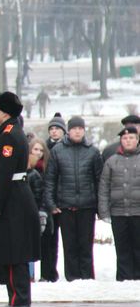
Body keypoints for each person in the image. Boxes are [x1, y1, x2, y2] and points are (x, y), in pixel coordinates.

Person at [0, 91, 41, 307]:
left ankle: (19, 299)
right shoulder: (11, 131)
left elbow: (4, 174)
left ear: (5, 113)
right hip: (17, 194)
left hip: (13, 198)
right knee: (13, 249)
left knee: (14, 250)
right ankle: (17, 298)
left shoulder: (8, 135)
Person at [44, 115, 102, 281]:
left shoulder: (92, 151)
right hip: (65, 206)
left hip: (87, 206)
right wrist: (51, 203)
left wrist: (100, 206)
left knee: (86, 246)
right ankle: (72, 279)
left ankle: (87, 278)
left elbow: (99, 180)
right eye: (74, 128)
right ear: (68, 131)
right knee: (69, 246)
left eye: (80, 128)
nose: (77, 131)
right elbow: (50, 179)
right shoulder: (57, 151)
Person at [97, 126, 140, 281]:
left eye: (131, 138)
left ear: (137, 140)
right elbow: (104, 188)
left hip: (137, 212)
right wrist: (104, 211)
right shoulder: (111, 161)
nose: (128, 141)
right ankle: (123, 279)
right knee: (122, 249)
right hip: (118, 212)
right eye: (125, 138)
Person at [27, 139, 54, 282]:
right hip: (31, 209)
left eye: (41, 150)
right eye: (35, 149)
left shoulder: (48, 166)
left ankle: (47, 274)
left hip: (46, 208)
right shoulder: (27, 170)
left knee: (47, 244)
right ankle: (30, 274)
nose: (38, 153)